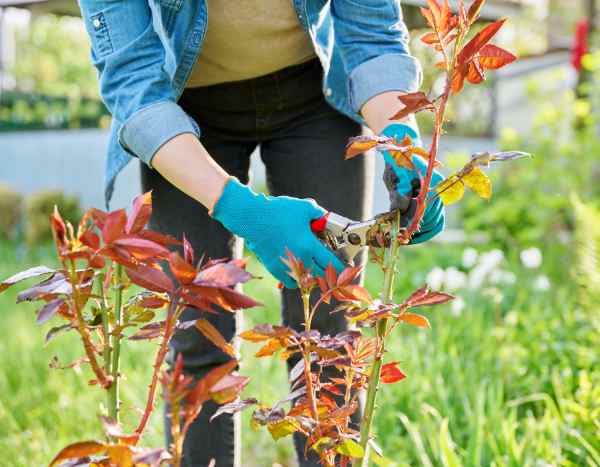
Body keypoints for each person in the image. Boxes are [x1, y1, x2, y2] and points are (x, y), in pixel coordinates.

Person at [78, 1, 445, 465]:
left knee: (327, 328)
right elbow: (134, 87)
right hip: (181, 114)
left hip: (314, 98)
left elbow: (370, 35)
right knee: (198, 334)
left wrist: (400, 139)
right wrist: (241, 210)